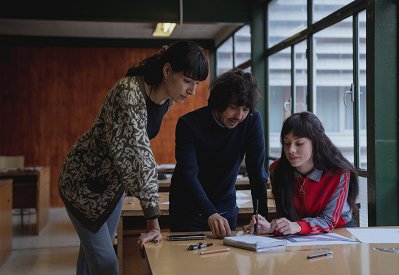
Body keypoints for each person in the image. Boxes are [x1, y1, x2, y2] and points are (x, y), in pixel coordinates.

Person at [58, 40, 208, 275]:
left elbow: (139, 151)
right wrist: (152, 222)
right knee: (106, 263)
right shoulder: (128, 93)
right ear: (167, 71)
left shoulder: (165, 98)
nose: (192, 91)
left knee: (91, 260)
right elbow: (140, 155)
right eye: (188, 81)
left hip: (112, 185)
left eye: (197, 83)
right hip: (83, 183)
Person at [169, 69, 269, 238]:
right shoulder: (189, 124)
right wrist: (210, 212)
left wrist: (262, 218)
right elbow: (189, 174)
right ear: (219, 102)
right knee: (186, 262)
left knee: (225, 262)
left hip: (225, 206)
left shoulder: (251, 120)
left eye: (245, 109)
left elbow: (256, 171)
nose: (239, 115)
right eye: (233, 107)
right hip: (188, 207)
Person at [245, 112, 359, 236]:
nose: (291, 150)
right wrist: (271, 227)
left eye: (299, 143)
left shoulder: (339, 172)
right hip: (300, 235)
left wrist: (297, 226)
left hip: (340, 232)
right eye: (286, 143)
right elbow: (286, 217)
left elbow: (329, 220)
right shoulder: (277, 170)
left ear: (316, 142)